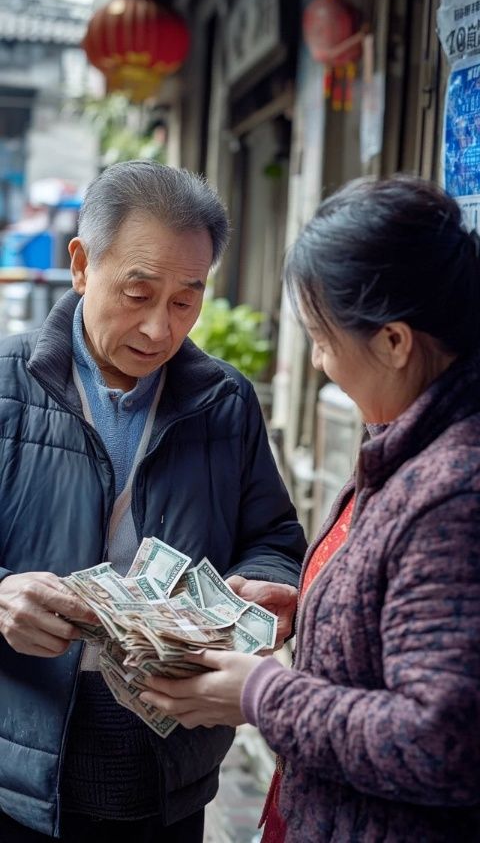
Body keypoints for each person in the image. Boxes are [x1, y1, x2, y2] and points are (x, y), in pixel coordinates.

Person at [139, 175, 480, 842]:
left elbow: (441, 741)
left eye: (323, 339)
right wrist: (310, 607)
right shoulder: (414, 440)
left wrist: (261, 694)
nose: (321, 363)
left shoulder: (454, 491)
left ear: (394, 342)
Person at [0, 161, 306, 842]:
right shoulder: (5, 387)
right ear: (81, 265)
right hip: (15, 767)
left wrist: (266, 589)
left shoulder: (224, 402)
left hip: (169, 765)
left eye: (185, 300)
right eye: (137, 293)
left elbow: (276, 537)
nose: (159, 330)